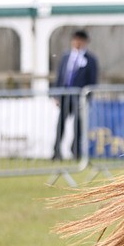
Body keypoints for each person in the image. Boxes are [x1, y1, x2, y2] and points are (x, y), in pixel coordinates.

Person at [52, 30, 99, 160]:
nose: (77, 43)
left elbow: (92, 80)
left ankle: (75, 151)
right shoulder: (66, 57)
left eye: (80, 40)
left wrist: (87, 97)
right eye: (75, 40)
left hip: (80, 97)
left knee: (77, 126)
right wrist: (56, 94)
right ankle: (56, 151)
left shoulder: (90, 60)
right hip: (65, 95)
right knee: (60, 124)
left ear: (85, 42)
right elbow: (60, 77)